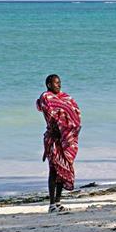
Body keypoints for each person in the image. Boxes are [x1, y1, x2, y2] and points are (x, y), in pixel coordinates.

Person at [36, 74, 81, 213]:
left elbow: (75, 112)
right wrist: (59, 127)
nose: (59, 85)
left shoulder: (65, 97)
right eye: (56, 83)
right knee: (54, 171)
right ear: (49, 84)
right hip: (53, 139)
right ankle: (51, 204)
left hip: (65, 139)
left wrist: (68, 130)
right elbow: (52, 114)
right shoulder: (46, 97)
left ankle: (58, 202)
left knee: (63, 170)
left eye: (59, 82)